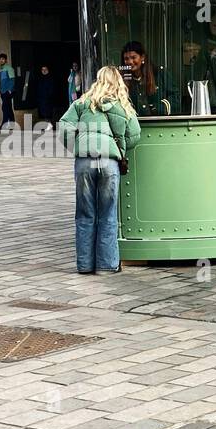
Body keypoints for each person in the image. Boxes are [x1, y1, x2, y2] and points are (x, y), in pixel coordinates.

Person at [57, 66, 141, 275]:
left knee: (85, 214)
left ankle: (85, 265)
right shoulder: (122, 106)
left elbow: (64, 127)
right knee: (108, 213)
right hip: (108, 162)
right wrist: (119, 147)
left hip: (85, 161)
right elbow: (135, 135)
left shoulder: (82, 103)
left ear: (97, 80)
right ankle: (106, 265)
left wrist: (79, 146)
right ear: (118, 82)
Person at [121, 41, 177, 116]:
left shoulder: (159, 74)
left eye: (133, 57)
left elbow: (175, 97)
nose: (130, 61)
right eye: (126, 58)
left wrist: (157, 108)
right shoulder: (122, 79)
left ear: (142, 57)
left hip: (159, 122)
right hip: (135, 123)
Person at [0, 53, 15, 128]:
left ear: (6, 60)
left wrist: (10, 90)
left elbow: (12, 79)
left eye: (3, 59)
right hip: (3, 91)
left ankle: (3, 125)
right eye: (0, 59)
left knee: (5, 108)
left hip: (7, 91)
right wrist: (1, 91)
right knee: (9, 108)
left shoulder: (9, 68)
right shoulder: (0, 69)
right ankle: (12, 125)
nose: (1, 60)